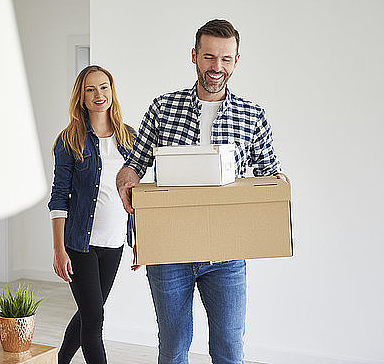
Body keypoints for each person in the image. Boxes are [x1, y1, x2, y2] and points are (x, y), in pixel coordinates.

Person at [116, 19, 288, 364]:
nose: (216, 67)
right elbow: (133, 165)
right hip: (169, 254)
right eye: (209, 57)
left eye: (226, 59)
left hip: (226, 254)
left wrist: (281, 187)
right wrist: (126, 183)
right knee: (174, 347)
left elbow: (270, 175)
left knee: (229, 350)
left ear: (236, 60)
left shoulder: (252, 115)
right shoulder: (163, 107)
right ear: (194, 56)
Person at [48, 65, 135, 364]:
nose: (99, 94)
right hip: (79, 244)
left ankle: (60, 359)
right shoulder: (70, 139)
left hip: (114, 245)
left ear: (112, 92)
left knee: (88, 313)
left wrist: (141, 244)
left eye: (104, 87)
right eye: (90, 89)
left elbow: (140, 197)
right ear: (81, 98)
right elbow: (59, 197)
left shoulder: (130, 139)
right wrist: (59, 250)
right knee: (95, 319)